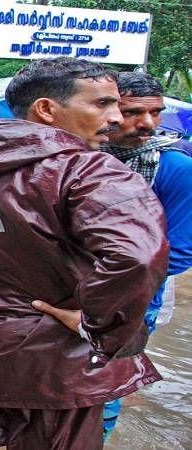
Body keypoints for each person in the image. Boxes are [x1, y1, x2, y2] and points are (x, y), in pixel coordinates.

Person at [0, 58, 169, 449]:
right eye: (102, 104)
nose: (116, 118)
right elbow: (137, 258)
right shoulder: (90, 171)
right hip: (57, 364)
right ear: (46, 109)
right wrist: (96, 326)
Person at [99, 71, 192, 441]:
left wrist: (104, 289)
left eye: (155, 112)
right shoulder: (78, 157)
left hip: (133, 299)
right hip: (64, 294)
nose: (147, 123)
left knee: (106, 390)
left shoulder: (174, 169)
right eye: (134, 111)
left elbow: (182, 251)